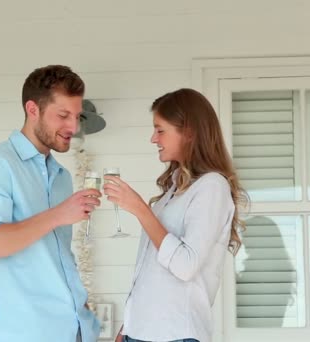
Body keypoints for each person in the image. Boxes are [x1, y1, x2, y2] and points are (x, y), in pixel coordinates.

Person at [0, 65, 101, 342]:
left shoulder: (60, 176)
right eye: (63, 115)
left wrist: (84, 313)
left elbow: (55, 257)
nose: (73, 127)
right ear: (33, 109)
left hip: (77, 332)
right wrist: (59, 214)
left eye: (76, 116)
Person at [105, 88, 247, 342]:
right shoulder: (174, 190)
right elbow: (150, 271)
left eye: (160, 130)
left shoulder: (212, 187)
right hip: (140, 332)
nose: (153, 139)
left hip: (175, 334)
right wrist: (127, 327)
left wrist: (140, 209)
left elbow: (185, 265)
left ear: (189, 133)